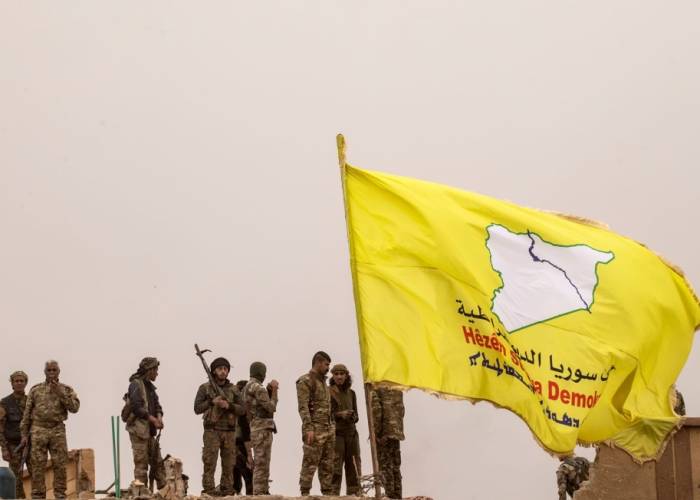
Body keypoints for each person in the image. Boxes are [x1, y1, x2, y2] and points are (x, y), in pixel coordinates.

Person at [20, 360, 80, 499]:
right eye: (49, 370)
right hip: (38, 430)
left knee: (60, 464)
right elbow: (27, 414)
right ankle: (38, 496)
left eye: (54, 370)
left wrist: (60, 393)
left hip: (57, 429)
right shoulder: (35, 390)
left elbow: (75, 408)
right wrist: (24, 434)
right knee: (37, 465)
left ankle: (60, 495)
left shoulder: (66, 389)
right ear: (45, 372)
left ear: (59, 371)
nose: (52, 372)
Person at [194, 357, 245, 496]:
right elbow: (197, 408)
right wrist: (212, 402)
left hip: (229, 431)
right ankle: (209, 491)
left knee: (229, 464)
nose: (223, 371)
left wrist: (229, 406)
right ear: (214, 371)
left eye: (225, 369)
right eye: (220, 369)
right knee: (209, 462)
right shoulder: (205, 388)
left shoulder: (233, 389)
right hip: (212, 430)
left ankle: (226, 491)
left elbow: (243, 409)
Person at [296, 350, 335, 496]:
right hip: (315, 429)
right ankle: (305, 493)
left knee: (328, 465)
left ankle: (327, 494)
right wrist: (309, 428)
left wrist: (332, 427)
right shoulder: (305, 381)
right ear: (318, 363)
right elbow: (303, 407)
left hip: (328, 429)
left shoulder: (323, 383)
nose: (328, 368)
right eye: (326, 364)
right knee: (310, 463)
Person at [124, 357, 165, 492]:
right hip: (138, 431)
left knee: (158, 463)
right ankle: (142, 494)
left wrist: (159, 417)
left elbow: (158, 406)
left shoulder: (150, 387)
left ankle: (165, 493)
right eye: (156, 370)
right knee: (141, 466)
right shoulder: (135, 385)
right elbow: (137, 407)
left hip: (149, 432)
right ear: (149, 370)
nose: (157, 373)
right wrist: (153, 420)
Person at [243, 362, 278, 495]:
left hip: (254, 427)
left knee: (260, 462)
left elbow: (256, 405)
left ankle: (262, 491)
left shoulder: (247, 387)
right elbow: (271, 407)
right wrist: (274, 390)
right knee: (262, 464)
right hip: (262, 429)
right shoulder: (258, 387)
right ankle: (259, 492)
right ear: (261, 373)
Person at [329, 364, 361, 496]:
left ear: (346, 375)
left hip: (351, 434)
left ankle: (354, 496)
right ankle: (333, 496)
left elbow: (357, 416)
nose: (339, 377)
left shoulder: (351, 393)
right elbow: (325, 415)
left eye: (342, 374)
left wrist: (352, 416)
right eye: (336, 374)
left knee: (354, 468)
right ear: (333, 376)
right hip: (337, 435)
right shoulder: (328, 392)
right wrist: (340, 415)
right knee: (335, 469)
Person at [370, 385, 405, 500]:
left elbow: (376, 411)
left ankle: (390, 496)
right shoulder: (397, 389)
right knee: (395, 467)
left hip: (384, 434)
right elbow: (402, 411)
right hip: (396, 433)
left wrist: (376, 433)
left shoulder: (376, 389)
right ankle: (397, 496)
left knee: (386, 467)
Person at [0, 371, 30, 499]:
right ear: (12, 384)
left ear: (25, 383)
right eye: (16, 381)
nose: (19, 383)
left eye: (21, 381)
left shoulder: (31, 401)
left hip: (31, 445)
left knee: (37, 475)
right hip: (13, 446)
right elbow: (0, 428)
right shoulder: (5, 403)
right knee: (15, 479)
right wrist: (4, 449)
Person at [233, 380, 253, 495]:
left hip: (231, 445)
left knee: (235, 475)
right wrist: (249, 454)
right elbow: (245, 432)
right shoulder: (242, 409)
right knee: (248, 475)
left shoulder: (234, 407)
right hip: (240, 445)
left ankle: (236, 494)